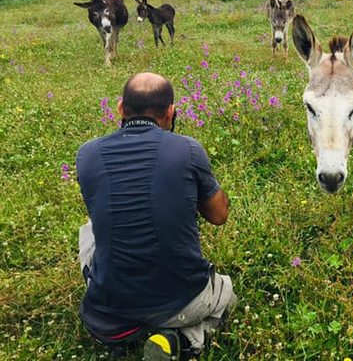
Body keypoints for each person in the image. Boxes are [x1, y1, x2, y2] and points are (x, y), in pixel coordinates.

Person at [76, 72, 236, 360]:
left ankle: (125, 329)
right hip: (181, 299)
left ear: (121, 109)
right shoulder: (187, 149)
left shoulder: (86, 154)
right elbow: (219, 215)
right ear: (171, 112)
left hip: (111, 301)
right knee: (226, 292)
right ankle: (183, 340)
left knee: (89, 229)